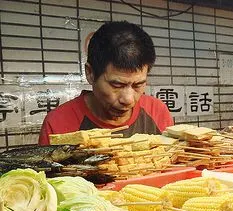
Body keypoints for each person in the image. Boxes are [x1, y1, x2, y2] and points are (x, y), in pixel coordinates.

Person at [39, 21, 173, 145]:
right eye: (117, 85)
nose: (128, 99)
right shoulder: (58, 124)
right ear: (90, 73)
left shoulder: (157, 112)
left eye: (138, 85)